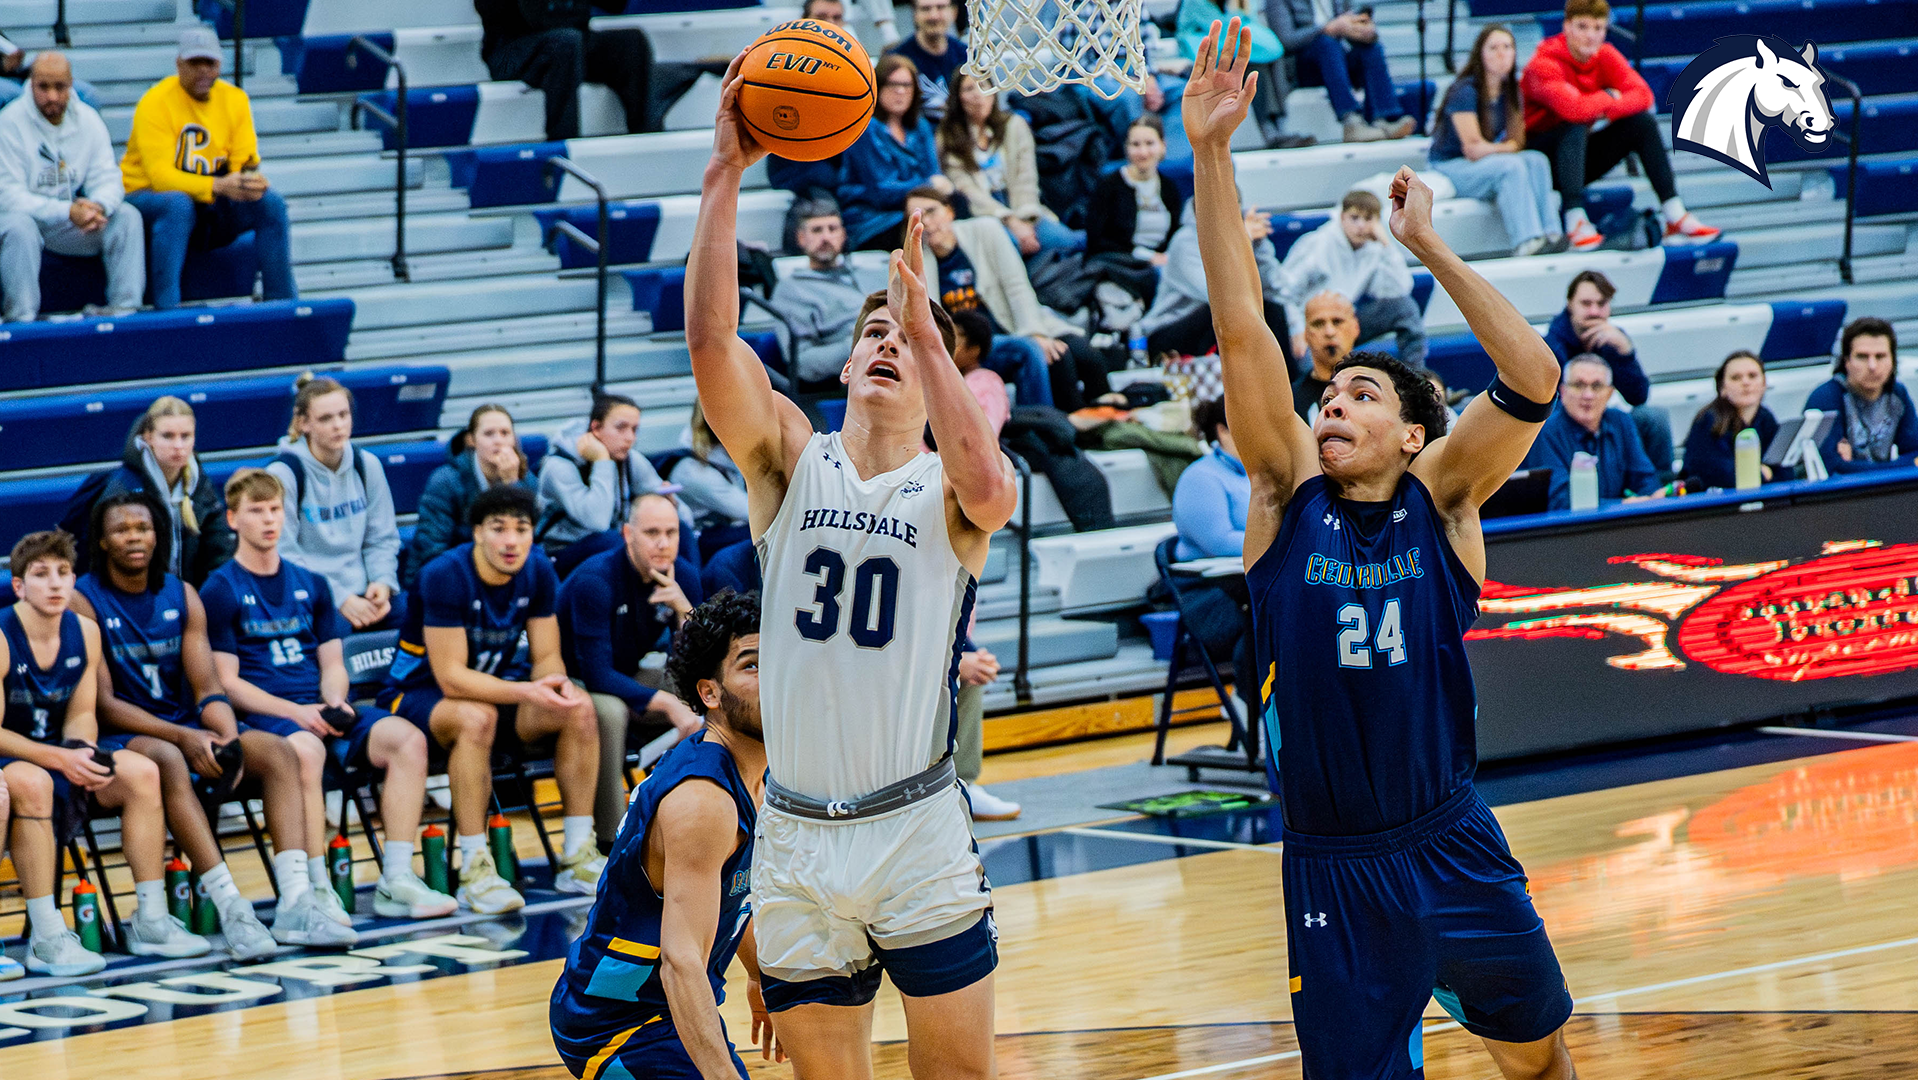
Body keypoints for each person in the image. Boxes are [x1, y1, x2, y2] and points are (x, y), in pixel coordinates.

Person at [1184, 23, 1577, 1079]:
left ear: (1413, 435)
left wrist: (1430, 246)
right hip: (1334, 863)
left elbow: (1535, 378)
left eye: (1360, 393)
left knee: (1537, 1058)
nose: (1330, 404)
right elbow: (1240, 329)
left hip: (1449, 837)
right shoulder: (1285, 497)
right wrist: (1212, 155)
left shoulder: (1443, 501)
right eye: (1326, 395)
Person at [690, 50, 1016, 1075]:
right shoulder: (793, 458)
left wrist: (927, 329)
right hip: (793, 834)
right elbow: (711, 347)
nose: (889, 343)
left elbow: (992, 489)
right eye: (875, 332)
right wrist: (724, 174)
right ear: (844, 361)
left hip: (916, 828)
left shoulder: (948, 488)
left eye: (907, 341)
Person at [72, 491, 344, 951]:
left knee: (277, 751)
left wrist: (226, 735)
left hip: (185, 726)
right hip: (125, 734)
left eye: (143, 528)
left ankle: (297, 902)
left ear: (158, 535)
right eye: (122, 530)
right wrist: (187, 736)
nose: (134, 538)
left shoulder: (183, 594)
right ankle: (233, 908)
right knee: (167, 758)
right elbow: (105, 704)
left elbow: (208, 688)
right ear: (102, 540)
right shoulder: (84, 600)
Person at [202, 470, 459, 920]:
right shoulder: (220, 588)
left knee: (408, 740)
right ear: (232, 519)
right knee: (305, 751)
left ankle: (397, 878)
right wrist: (297, 713)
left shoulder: (313, 582)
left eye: (275, 509)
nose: (269, 519)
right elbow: (228, 683)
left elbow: (334, 664)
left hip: (318, 705)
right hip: (266, 715)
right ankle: (315, 887)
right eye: (256, 511)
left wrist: (334, 701)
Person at [550, 589, 776, 1080]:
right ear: (710, 693)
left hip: (663, 1009)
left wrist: (760, 977)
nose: (777, 676)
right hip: (617, 1024)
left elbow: (730, 894)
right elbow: (681, 962)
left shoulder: (755, 773)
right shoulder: (703, 801)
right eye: (753, 665)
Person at [375, 485, 605, 915]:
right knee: (475, 718)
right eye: (499, 529)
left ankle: (577, 855)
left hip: (496, 691)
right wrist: (527, 691)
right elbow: (451, 678)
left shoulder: (538, 569)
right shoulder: (444, 574)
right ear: (478, 532)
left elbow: (546, 655)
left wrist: (554, 684)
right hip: (417, 694)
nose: (511, 540)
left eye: (522, 529)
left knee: (579, 709)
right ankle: (475, 868)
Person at [2, 531, 210, 973]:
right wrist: (60, 759)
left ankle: (151, 920)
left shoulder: (86, 632)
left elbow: (81, 713)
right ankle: (46, 937)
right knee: (33, 783)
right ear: (18, 586)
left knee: (142, 772)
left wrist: (82, 752)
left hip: (60, 753)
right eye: (41, 575)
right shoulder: (3, 636)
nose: (55, 583)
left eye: (63, 573)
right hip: (14, 755)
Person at [558, 492, 707, 847]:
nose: (663, 543)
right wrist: (667, 704)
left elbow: (701, 662)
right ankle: (612, 840)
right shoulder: (596, 579)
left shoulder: (683, 575)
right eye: (652, 533)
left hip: (626, 673)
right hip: (575, 680)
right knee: (610, 712)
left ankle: (699, 820)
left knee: (709, 692)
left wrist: (684, 612)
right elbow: (597, 674)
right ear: (628, 534)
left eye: (671, 533)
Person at [1522, 0, 1718, 251]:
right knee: (1574, 123)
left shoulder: (1604, 55)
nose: (1591, 36)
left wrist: (1603, 107)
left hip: (1578, 158)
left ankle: (1674, 214)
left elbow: (1643, 95)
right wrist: (1608, 96)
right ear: (1566, 27)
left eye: (1598, 28)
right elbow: (1575, 110)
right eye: (1582, 27)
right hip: (1540, 164)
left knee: (1641, 123)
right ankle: (1574, 219)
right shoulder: (1543, 63)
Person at [121, 27, 294, 310]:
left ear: (219, 65)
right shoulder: (155, 102)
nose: (203, 70)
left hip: (207, 200)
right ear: (179, 64)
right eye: (194, 62)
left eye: (209, 63)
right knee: (177, 205)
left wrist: (248, 182)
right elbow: (160, 177)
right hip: (146, 198)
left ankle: (283, 307)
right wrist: (219, 185)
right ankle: (168, 313)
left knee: (270, 203)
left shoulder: (235, 99)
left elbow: (243, 163)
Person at [906, 184, 1116, 412]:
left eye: (931, 211)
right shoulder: (916, 262)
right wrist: (1032, 341)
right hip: (972, 346)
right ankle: (1052, 424)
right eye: (916, 217)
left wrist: (1034, 332)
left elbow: (1017, 286)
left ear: (949, 211)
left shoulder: (985, 230)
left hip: (1014, 325)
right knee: (1048, 356)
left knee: (1084, 353)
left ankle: (1109, 413)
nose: (926, 222)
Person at [0, 52, 143, 321]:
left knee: (126, 217)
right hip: (19, 221)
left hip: (67, 224)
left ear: (71, 85)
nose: (52, 96)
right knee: (20, 227)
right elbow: (8, 198)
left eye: (60, 87)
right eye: (43, 87)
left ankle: (125, 314)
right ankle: (21, 319)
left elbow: (108, 177)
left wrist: (98, 206)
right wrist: (67, 211)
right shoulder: (9, 122)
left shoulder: (88, 119)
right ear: (31, 84)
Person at [266, 375, 403, 632]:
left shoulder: (367, 465)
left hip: (366, 591)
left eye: (343, 415)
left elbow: (382, 538)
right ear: (304, 423)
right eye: (326, 418)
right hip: (312, 596)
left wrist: (382, 582)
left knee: (414, 620)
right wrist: (340, 598)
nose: (338, 425)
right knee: (337, 633)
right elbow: (285, 554)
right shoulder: (284, 474)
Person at [1428, 26, 1563, 257]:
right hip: (1450, 166)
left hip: (1481, 163)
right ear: (1480, 54)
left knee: (1537, 161)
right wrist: (1505, 148)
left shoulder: (1511, 91)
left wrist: (1504, 148)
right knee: (1511, 166)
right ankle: (1527, 241)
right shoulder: (1464, 91)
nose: (1501, 54)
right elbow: (1472, 148)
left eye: (1507, 47)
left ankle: (1552, 234)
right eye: (1493, 48)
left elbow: (1517, 142)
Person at [1171, 397, 1259, 725]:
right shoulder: (1200, 478)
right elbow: (1219, 541)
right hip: (1207, 596)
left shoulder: (1262, 473)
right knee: (1267, 617)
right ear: (1222, 431)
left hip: (1249, 586)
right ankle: (1248, 704)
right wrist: (1281, 542)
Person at [1543, 269, 1673, 478]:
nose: (1594, 311)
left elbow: (1638, 396)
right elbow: (1551, 409)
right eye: (1586, 304)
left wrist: (1625, 351)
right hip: (1566, 428)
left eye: (1601, 304)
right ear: (1570, 305)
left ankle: (1660, 486)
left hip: (1607, 422)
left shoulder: (1613, 340)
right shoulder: (1551, 347)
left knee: (1654, 418)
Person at [1276, 189, 1426, 368]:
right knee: (1312, 360)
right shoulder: (1317, 244)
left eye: (1368, 219)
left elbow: (1399, 290)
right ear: (1342, 218)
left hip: (1345, 320)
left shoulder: (1374, 249)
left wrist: (1387, 245)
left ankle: (1415, 375)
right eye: (1354, 218)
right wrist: (1297, 329)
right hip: (1311, 325)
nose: (1361, 226)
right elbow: (1285, 292)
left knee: (1405, 308)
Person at [95, 397, 235, 586]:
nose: (178, 446)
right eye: (168, 436)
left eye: (185, 436)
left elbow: (219, 552)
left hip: (188, 594)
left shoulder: (200, 483)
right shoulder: (124, 488)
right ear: (148, 437)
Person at [937, 74, 1077, 257]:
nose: (978, 94)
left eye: (983, 86)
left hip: (1023, 207)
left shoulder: (1014, 125)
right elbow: (969, 192)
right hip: (985, 216)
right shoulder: (947, 138)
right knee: (1013, 248)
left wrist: (1025, 220)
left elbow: (1026, 178)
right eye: (969, 89)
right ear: (958, 97)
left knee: (1071, 241)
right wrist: (1009, 220)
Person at [1135, 201, 1293, 363]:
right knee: (1228, 310)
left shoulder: (1239, 234)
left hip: (1211, 324)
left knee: (1271, 309)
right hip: (1166, 332)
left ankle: (1285, 376)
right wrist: (1243, 241)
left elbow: (1273, 288)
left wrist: (1296, 329)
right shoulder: (1184, 242)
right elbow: (1220, 295)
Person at [476, 0, 652, 140]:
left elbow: (615, 5)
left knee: (631, 42)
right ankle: (563, 144)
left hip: (572, 41)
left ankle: (644, 137)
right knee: (566, 43)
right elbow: (495, 11)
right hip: (511, 50)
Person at [407, 404, 538, 590]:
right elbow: (432, 548)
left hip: (502, 575)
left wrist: (512, 486)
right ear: (471, 440)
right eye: (489, 434)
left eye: (505, 433)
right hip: (448, 577)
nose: (498, 441)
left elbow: (533, 541)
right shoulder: (445, 481)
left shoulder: (526, 481)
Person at [538, 392, 676, 565]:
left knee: (677, 533)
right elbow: (598, 522)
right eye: (621, 428)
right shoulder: (559, 466)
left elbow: (678, 512)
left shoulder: (631, 460)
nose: (630, 438)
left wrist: (671, 505)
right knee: (615, 541)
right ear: (596, 428)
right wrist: (602, 461)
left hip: (610, 544)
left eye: (634, 430)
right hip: (561, 552)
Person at [769, 198, 893, 387]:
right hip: (853, 377)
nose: (826, 237)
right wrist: (859, 345)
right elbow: (802, 363)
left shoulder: (875, 274)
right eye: (817, 230)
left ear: (843, 235)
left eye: (832, 229)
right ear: (801, 238)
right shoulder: (791, 291)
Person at [1265, 0, 1417, 142]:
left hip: (1337, 60)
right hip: (1304, 67)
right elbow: (1285, 40)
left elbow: (1347, 28)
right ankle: (1351, 121)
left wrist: (1364, 31)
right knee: (1326, 43)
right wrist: (1326, 29)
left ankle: (1383, 119)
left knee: (1371, 48)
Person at [1524, 355, 1663, 509]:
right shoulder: (1546, 431)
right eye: (1578, 385)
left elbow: (1645, 480)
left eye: (1597, 386)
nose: (1588, 395)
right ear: (1563, 391)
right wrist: (1621, 505)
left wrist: (1652, 496)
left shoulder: (1621, 422)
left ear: (1609, 393)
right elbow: (1560, 501)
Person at [838, 54, 946, 252]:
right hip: (874, 220)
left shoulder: (920, 126)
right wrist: (928, 185)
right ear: (878, 87)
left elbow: (934, 174)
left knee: (953, 216)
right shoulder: (864, 129)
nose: (900, 91)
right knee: (925, 229)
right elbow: (881, 191)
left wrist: (931, 187)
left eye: (907, 85)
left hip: (915, 210)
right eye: (892, 84)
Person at [1806, 317, 1918, 474]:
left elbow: (1914, 451)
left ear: (1893, 360)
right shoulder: (1826, 397)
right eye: (1862, 357)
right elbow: (1830, 467)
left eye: (1880, 356)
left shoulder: (1897, 394)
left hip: (1888, 486)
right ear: (1846, 361)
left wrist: (1853, 464)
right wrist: (1902, 465)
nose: (1872, 366)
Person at [1085, 115, 1185, 267]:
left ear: (1162, 145)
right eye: (1136, 144)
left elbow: (1176, 233)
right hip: (1120, 264)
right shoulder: (1109, 185)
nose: (1143, 152)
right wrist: (1146, 257)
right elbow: (1097, 240)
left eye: (1150, 143)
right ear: (1127, 147)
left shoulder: (1169, 187)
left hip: (1164, 263)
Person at [1682, 351, 1779, 490]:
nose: (1746, 382)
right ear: (1722, 388)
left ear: (1764, 384)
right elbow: (1721, 476)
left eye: (1752, 376)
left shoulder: (1766, 418)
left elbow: (1783, 471)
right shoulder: (1708, 421)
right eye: (1736, 378)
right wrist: (1763, 473)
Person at [668, 401, 751, 561]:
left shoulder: (722, 455)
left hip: (724, 530)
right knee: (757, 537)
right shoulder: (693, 470)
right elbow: (748, 512)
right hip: (700, 543)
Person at [885, 0, 967, 123]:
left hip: (959, 131)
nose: (933, 16)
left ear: (954, 12)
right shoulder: (896, 59)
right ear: (914, 14)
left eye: (940, 7)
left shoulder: (967, 56)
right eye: (926, 9)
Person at [1291, 291, 1360, 422]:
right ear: (1306, 334)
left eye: (1337, 322)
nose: (1329, 332)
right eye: (1318, 324)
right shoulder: (1291, 402)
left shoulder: (1379, 390)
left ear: (1355, 327)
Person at [0, 31, 99, 109]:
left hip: (18, 72)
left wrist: (13, 55)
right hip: (5, 78)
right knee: (12, 95)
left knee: (86, 93)